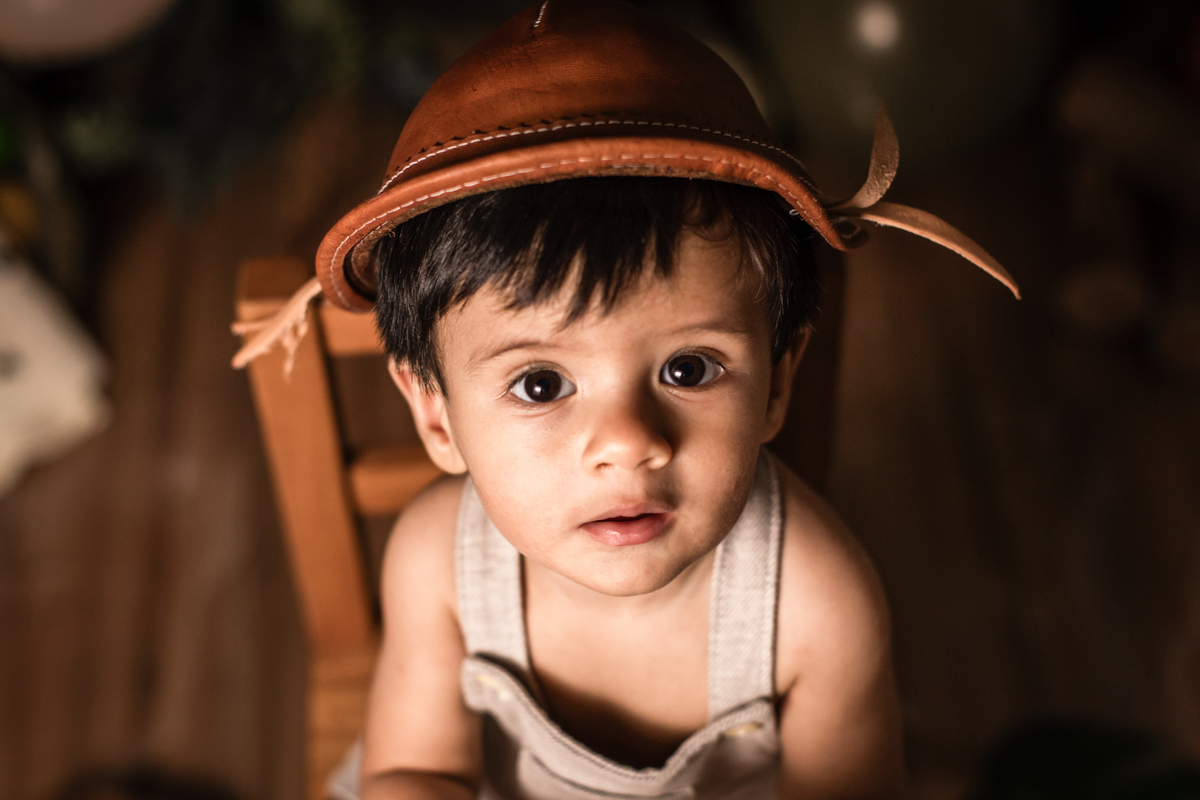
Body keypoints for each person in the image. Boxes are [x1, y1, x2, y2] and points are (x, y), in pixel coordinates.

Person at [233, 2, 1019, 798]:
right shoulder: (437, 560)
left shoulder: (817, 603)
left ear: (778, 380)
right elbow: (415, 769)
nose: (628, 441)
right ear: (435, 412)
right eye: (541, 384)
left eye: (688, 369)